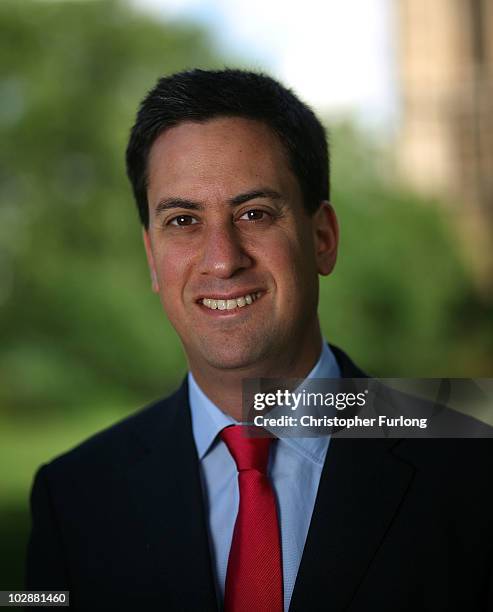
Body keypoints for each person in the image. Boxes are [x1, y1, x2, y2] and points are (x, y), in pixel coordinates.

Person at [26, 69, 493, 611]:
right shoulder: (73, 495)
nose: (223, 259)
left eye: (254, 213)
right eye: (182, 220)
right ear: (152, 258)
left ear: (323, 239)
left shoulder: (474, 450)